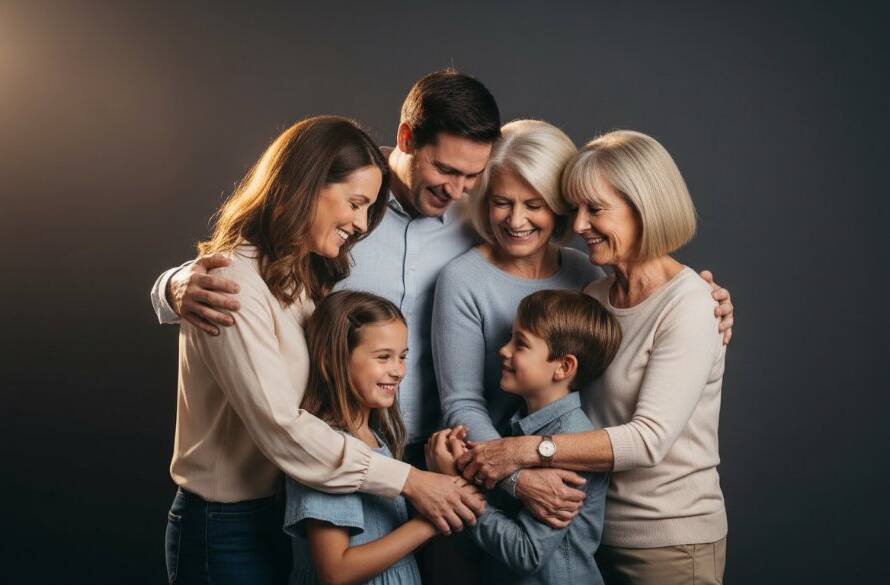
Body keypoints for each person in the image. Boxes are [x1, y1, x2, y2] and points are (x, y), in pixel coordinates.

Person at [150, 70, 734, 527]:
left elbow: (595, 260)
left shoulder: (486, 220)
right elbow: (262, 265)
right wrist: (175, 286)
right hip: (335, 445)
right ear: (407, 139)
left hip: (444, 458)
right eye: (447, 170)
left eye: (473, 179)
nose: (458, 191)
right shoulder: (342, 205)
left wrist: (691, 299)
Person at [164, 116, 483, 585]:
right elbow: (281, 426)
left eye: (368, 209)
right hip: (224, 527)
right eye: (355, 204)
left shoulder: (303, 278)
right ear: (307, 185)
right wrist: (410, 481)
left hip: (279, 512)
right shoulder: (230, 283)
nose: (359, 224)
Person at [456, 130, 730, 584]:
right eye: (576, 208)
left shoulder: (692, 303)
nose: (578, 225)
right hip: (588, 534)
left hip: (669, 542)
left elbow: (648, 440)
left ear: (645, 208)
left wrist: (521, 453)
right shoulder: (594, 294)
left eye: (595, 209)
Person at [428, 290, 621, 585]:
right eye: (509, 337)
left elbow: (526, 552)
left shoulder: (573, 442)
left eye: (521, 344)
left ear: (564, 367)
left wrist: (458, 490)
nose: (504, 350)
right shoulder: (515, 425)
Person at [285, 291, 437, 585]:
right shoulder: (326, 450)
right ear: (332, 360)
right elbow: (336, 571)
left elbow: (390, 541)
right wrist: (431, 521)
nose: (398, 370)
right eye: (383, 357)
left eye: (402, 357)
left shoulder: (375, 438)